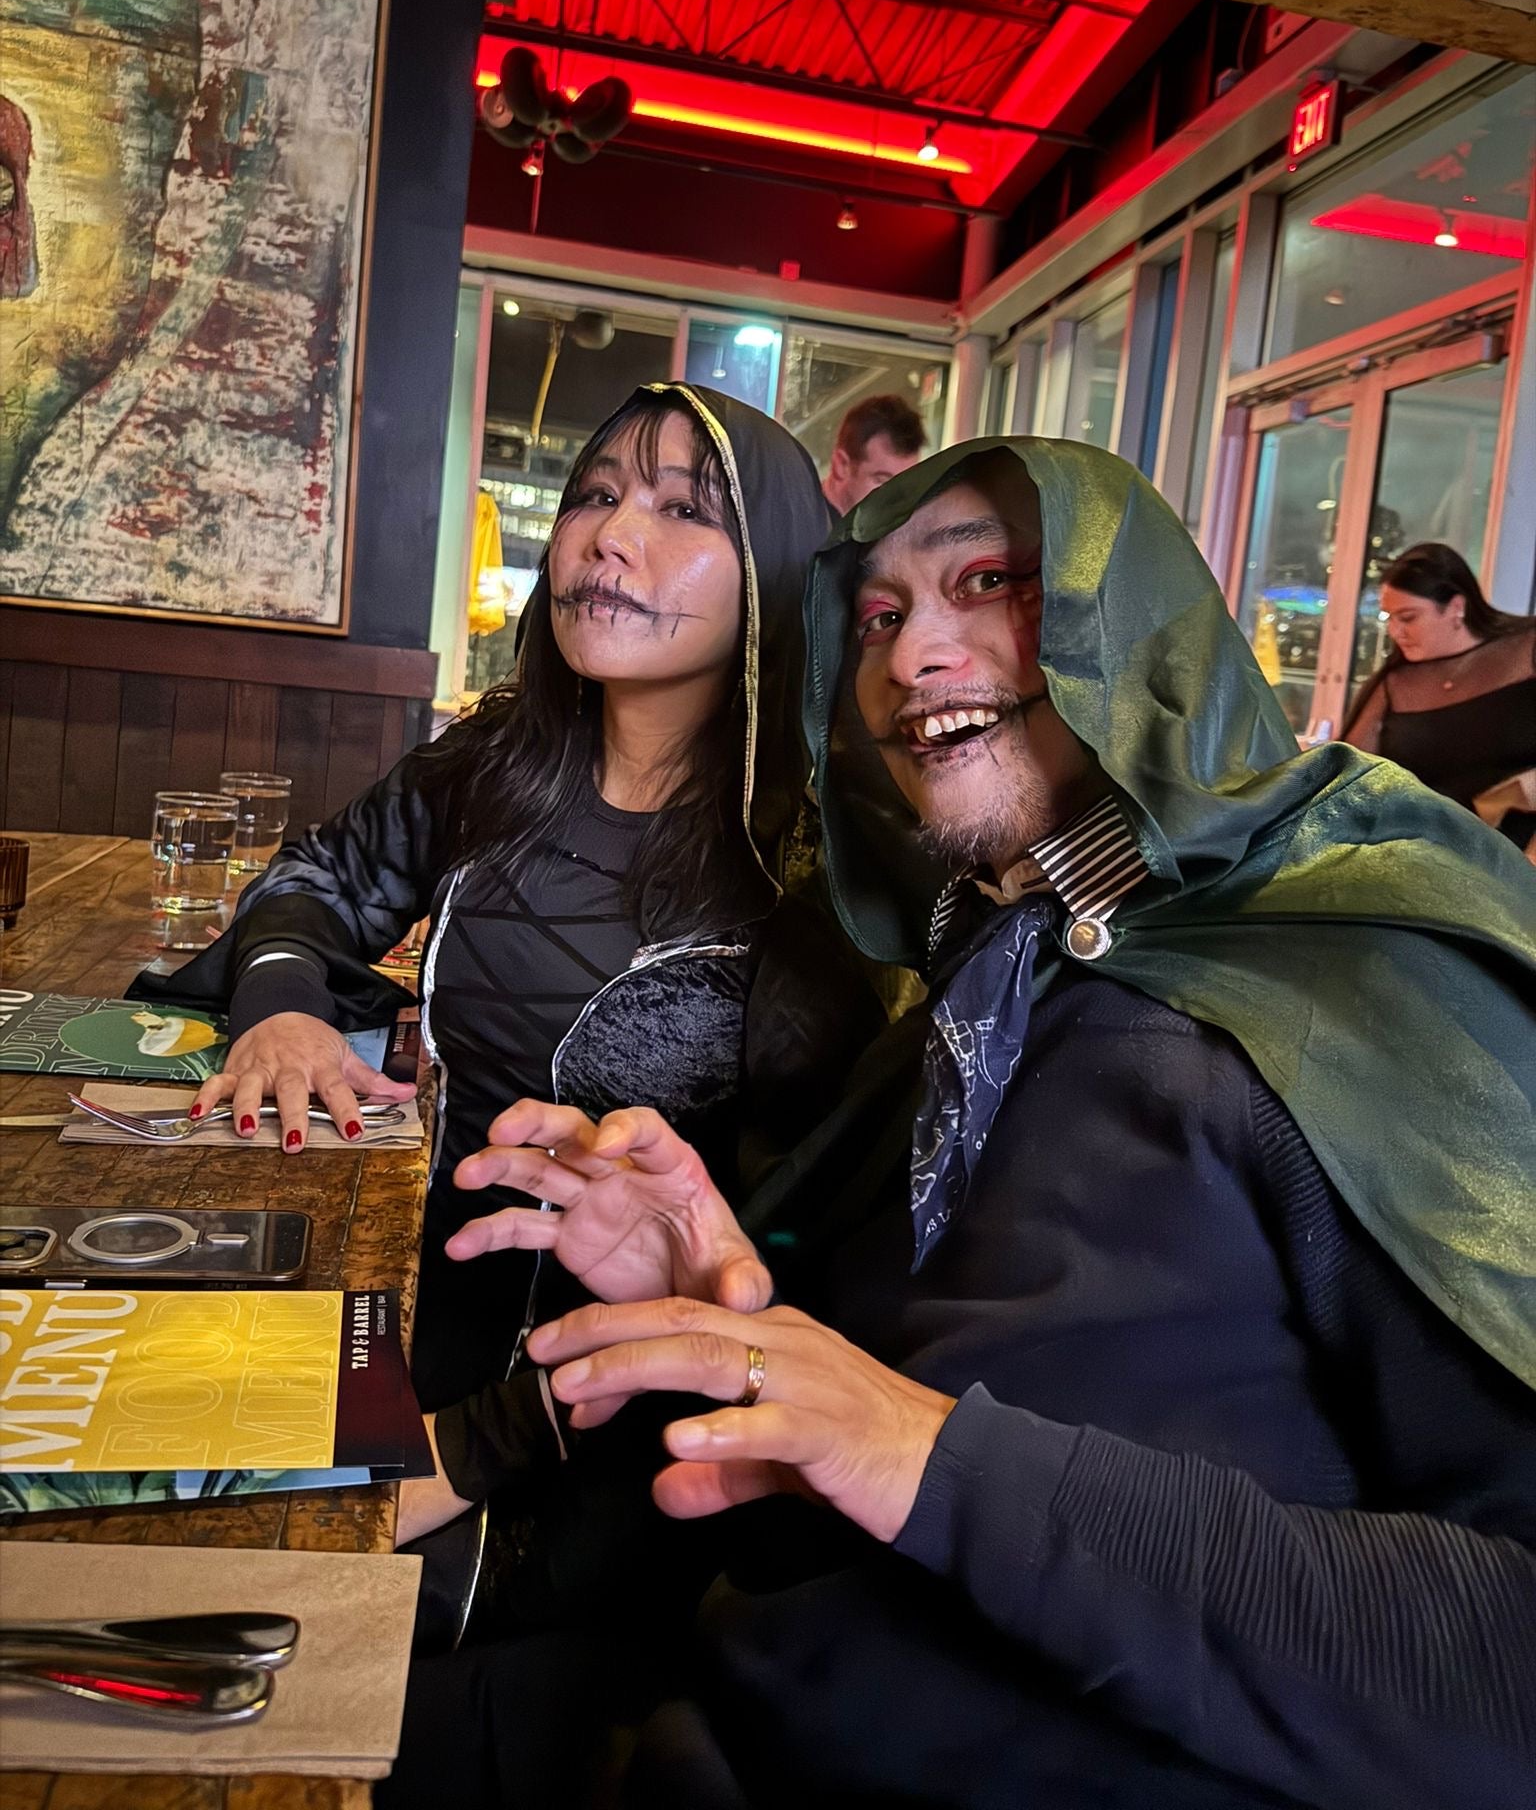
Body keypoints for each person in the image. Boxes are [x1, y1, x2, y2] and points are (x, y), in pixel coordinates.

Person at [452, 438, 1536, 1810]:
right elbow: (917, 1403)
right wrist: (727, 1297)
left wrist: (937, 1461)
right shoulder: (994, 975)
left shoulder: (1359, 992)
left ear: (1138, 627)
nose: (913, 657)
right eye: (880, 617)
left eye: (990, 583)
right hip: (720, 1702)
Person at [148, 383, 877, 1410]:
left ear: (777, 569)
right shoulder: (498, 764)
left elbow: (813, 1241)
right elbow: (319, 876)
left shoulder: (805, 872)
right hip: (390, 1322)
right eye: (596, 495)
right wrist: (281, 1007)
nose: (610, 536)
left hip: (608, 1415)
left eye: (682, 508)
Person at [1344, 541, 1536, 843]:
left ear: (1457, 607)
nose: (1395, 631)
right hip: (1421, 855)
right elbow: (1347, 779)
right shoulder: (1394, 684)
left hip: (1520, 855)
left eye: (1408, 617)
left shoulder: (1527, 649)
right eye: (1389, 618)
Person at [820, 392, 925, 515]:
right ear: (841, 465)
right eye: (884, 483)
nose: (897, 502)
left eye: (905, 490)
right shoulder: (804, 519)